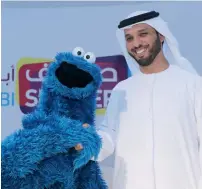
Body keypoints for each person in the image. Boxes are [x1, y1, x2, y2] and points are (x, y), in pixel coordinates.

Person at [84, 10, 202, 189]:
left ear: (161, 36)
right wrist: (85, 139)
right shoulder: (121, 90)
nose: (136, 43)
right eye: (129, 38)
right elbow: (108, 139)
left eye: (143, 34)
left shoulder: (192, 84)